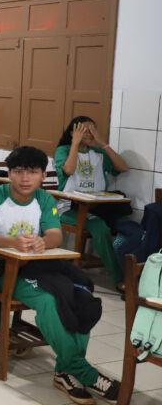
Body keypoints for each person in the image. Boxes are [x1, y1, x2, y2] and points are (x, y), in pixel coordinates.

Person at [0, 146, 120, 405]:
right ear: (9, 173)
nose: (25, 178)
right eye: (18, 172)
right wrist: (11, 243)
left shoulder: (45, 199)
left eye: (32, 172)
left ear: (42, 175)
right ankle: (81, 370)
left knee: (81, 295)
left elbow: (55, 235)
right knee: (49, 301)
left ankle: (65, 371)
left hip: (40, 267)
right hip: (4, 269)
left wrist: (42, 242)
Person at [54, 116, 130, 290]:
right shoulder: (63, 150)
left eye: (92, 130)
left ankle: (135, 275)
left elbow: (123, 167)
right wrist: (75, 143)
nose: (89, 134)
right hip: (70, 208)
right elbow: (69, 170)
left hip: (99, 206)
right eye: (84, 130)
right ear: (73, 132)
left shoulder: (98, 152)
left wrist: (103, 143)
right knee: (100, 228)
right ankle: (119, 279)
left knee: (130, 226)